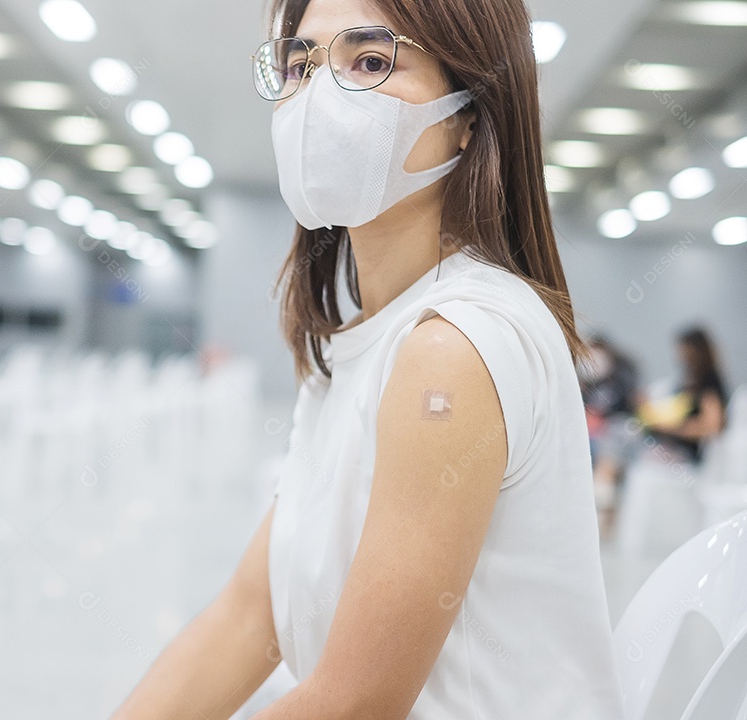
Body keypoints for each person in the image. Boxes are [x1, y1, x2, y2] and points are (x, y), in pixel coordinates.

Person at [110, 0, 624, 718]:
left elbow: (355, 704)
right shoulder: (364, 338)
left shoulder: (453, 345)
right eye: (300, 64)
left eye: (372, 61)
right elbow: (250, 615)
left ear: (469, 114)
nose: (319, 97)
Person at [641, 326, 727, 464]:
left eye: (683, 349)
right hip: (671, 443)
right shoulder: (688, 380)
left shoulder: (709, 382)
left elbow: (712, 426)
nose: (679, 354)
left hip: (688, 455)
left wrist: (671, 428)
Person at [582, 336, 640, 537]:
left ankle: (601, 521)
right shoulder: (588, 383)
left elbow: (627, 413)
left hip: (620, 434)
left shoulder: (622, 380)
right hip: (593, 437)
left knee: (607, 462)